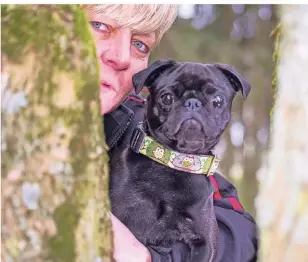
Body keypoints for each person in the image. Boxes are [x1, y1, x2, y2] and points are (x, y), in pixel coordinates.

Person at [81, 4, 258, 262]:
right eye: (100, 26)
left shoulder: (141, 129)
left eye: (140, 44)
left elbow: (243, 236)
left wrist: (151, 256)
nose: (121, 57)